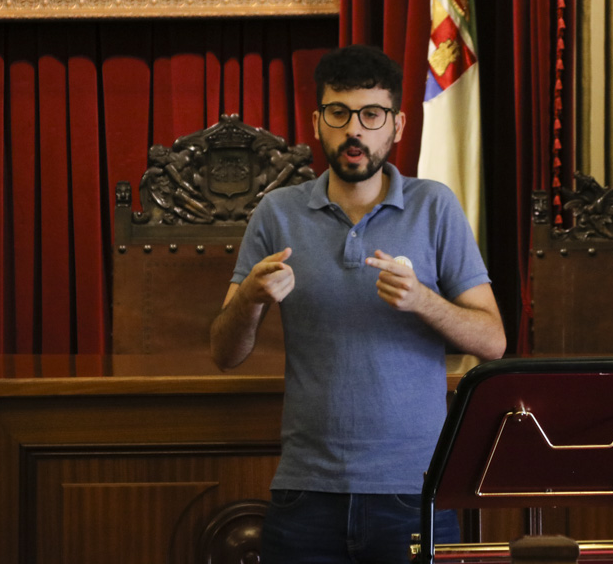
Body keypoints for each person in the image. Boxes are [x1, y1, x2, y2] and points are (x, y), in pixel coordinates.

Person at [210, 44, 506, 563]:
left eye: (372, 115)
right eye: (339, 113)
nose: (355, 130)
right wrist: (252, 298)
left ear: (397, 125)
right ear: (317, 122)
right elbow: (223, 351)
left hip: (413, 493)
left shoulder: (434, 206)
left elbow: (493, 341)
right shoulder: (278, 213)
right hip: (306, 493)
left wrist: (422, 301)